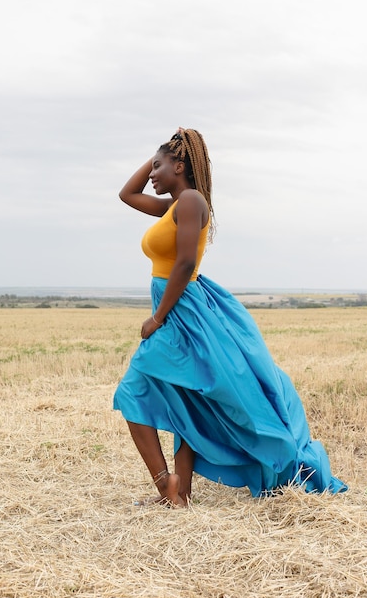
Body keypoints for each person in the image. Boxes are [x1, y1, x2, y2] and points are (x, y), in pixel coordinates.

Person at [113, 127, 347, 507]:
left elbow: (186, 261)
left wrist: (157, 318)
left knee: (131, 389)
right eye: (150, 167)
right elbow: (127, 195)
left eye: (159, 166)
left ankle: (166, 487)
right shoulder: (175, 204)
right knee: (188, 393)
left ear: (181, 164)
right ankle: (180, 491)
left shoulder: (189, 200)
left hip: (181, 310)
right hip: (181, 306)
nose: (151, 174)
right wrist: (160, 154)